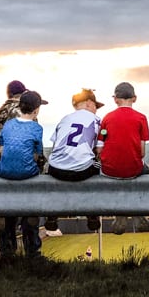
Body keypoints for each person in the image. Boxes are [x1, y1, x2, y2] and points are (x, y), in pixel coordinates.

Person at [0, 90, 49, 258]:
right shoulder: (36, 128)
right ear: (36, 110)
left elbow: (1, 149)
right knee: (34, 177)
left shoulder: (8, 124)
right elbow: (38, 154)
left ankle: (8, 252)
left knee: (8, 211)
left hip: (4, 172)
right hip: (27, 174)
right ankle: (31, 216)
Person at [0, 78, 39, 240]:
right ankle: (32, 254)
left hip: (1, 167)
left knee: (7, 211)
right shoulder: (25, 110)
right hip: (23, 166)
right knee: (28, 209)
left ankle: (8, 256)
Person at [98, 81, 149, 233]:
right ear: (134, 98)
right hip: (132, 168)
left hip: (109, 169)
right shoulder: (141, 118)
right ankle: (139, 211)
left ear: (115, 99)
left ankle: (120, 213)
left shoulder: (107, 118)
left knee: (114, 177)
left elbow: (100, 146)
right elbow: (141, 153)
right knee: (145, 175)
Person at [48, 89, 104, 233]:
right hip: (81, 171)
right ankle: (92, 214)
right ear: (89, 103)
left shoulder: (65, 119)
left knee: (59, 170)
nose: (96, 109)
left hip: (55, 169)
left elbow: (55, 146)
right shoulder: (97, 120)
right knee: (97, 166)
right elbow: (99, 150)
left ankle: (52, 215)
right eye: (95, 106)